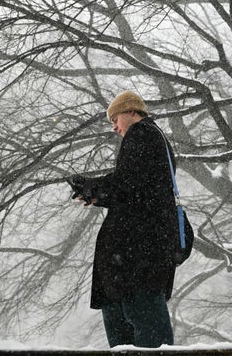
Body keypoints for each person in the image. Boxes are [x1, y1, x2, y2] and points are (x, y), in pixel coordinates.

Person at [70, 90, 179, 348]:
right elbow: (137, 189)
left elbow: (127, 184)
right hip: (138, 257)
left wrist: (92, 187)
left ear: (131, 111)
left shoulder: (141, 134)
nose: (115, 127)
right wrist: (97, 193)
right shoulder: (155, 139)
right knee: (137, 325)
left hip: (135, 259)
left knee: (141, 331)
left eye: (115, 119)